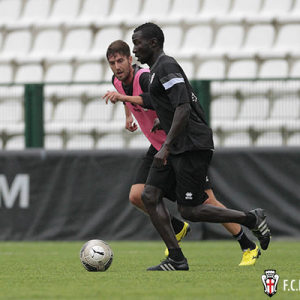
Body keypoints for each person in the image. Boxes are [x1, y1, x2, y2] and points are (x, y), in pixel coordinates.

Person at [103, 28, 271, 271]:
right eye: (112, 62)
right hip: (162, 145)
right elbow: (138, 98)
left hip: (181, 144)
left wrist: (162, 133)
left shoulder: (149, 74)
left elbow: (171, 103)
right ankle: (177, 247)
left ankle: (248, 241)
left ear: (131, 58)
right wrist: (128, 113)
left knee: (202, 204)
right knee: (142, 195)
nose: (117, 65)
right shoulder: (120, 80)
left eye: (123, 58)